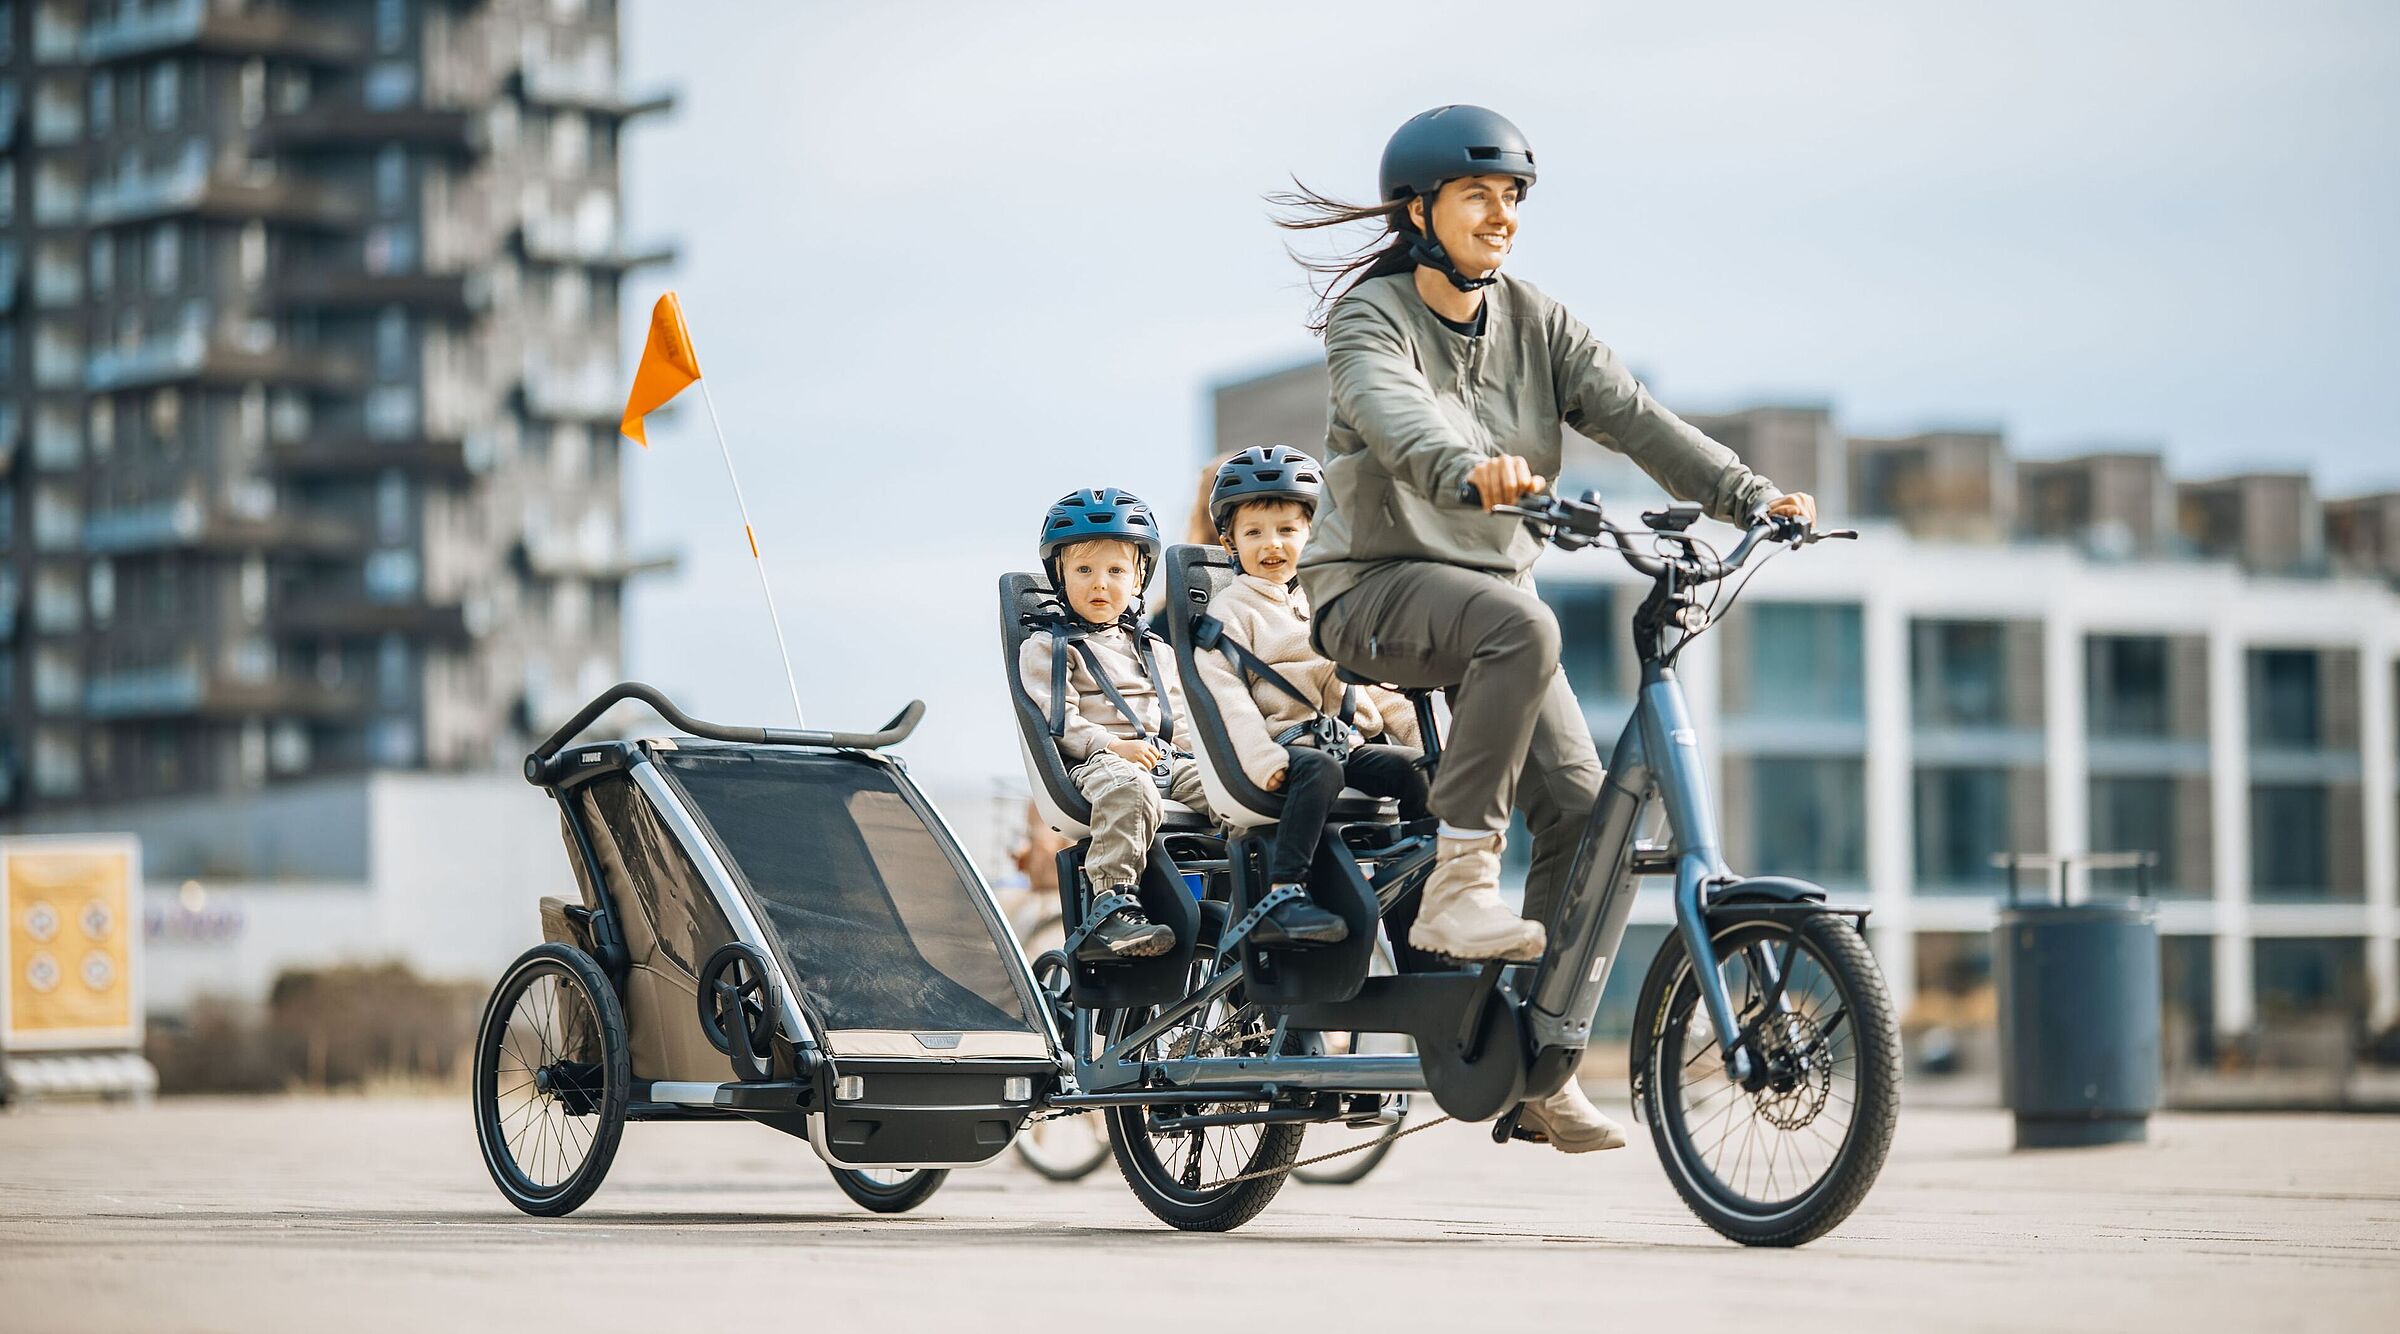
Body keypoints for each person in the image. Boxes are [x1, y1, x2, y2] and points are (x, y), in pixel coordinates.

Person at [1275, 105, 1819, 1152]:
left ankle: (1536, 1060)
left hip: (1489, 610)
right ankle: (1458, 886)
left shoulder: (1539, 322)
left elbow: (1639, 417)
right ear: (1419, 209)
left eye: (1514, 196)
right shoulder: (1369, 319)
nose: (1503, 215)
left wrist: (1751, 495)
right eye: (1479, 194)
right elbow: (1397, 416)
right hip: (1373, 587)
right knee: (1522, 626)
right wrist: (1463, 470)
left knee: (1584, 806)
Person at [1188, 445, 1433, 953]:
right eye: (1253, 533)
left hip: (1346, 741)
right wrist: (1262, 761)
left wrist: (1427, 740)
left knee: (1417, 770)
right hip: (1290, 748)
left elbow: (1373, 687)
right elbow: (1227, 700)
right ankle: (1286, 892)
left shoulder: (1324, 599)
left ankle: (1429, 882)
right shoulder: (1230, 612)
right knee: (1320, 772)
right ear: (1230, 541)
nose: (1270, 544)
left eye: (1286, 531)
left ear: (1311, 535)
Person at [1016, 488, 1213, 962]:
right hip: (1097, 764)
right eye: (1083, 570)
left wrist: (1203, 760)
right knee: (1132, 791)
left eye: (1115, 571)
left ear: (1139, 577)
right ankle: (1111, 904)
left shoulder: (1156, 651)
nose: (1099, 583)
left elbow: (1181, 719)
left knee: (1228, 792)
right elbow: (1057, 721)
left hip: (1165, 759)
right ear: (1059, 576)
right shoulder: (1048, 647)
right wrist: (1114, 745)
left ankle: (1249, 888)